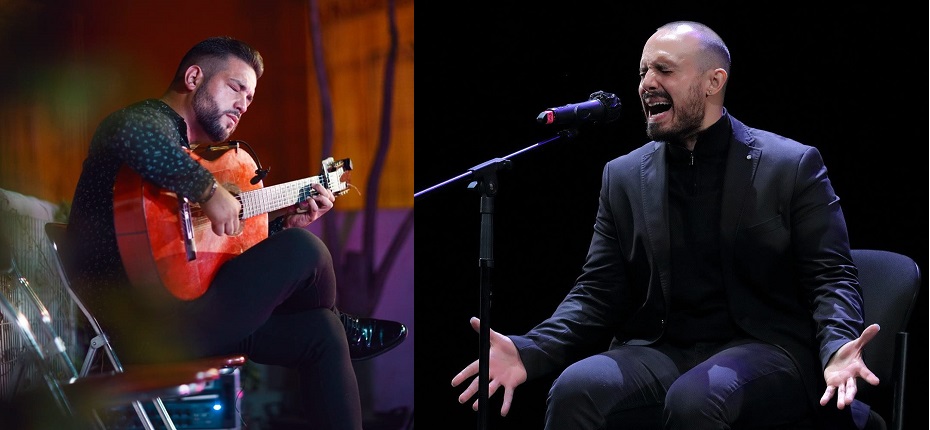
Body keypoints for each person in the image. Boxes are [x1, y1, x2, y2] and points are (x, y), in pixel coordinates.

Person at [451, 21, 881, 429]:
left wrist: (837, 346)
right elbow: (596, 291)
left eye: (664, 69)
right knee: (575, 390)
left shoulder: (789, 165)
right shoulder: (623, 175)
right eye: (642, 71)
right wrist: (531, 349)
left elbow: (831, 276)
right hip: (662, 348)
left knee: (696, 399)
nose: (646, 83)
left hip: (766, 347)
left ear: (714, 81)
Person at [65, 36, 407, 429]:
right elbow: (134, 137)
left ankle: (337, 322)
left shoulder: (183, 157)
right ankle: (343, 322)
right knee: (304, 250)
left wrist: (282, 224)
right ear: (194, 77)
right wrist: (208, 190)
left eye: (250, 97)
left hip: (185, 313)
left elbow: (209, 255)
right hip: (141, 327)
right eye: (236, 87)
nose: (244, 103)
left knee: (321, 332)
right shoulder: (145, 123)